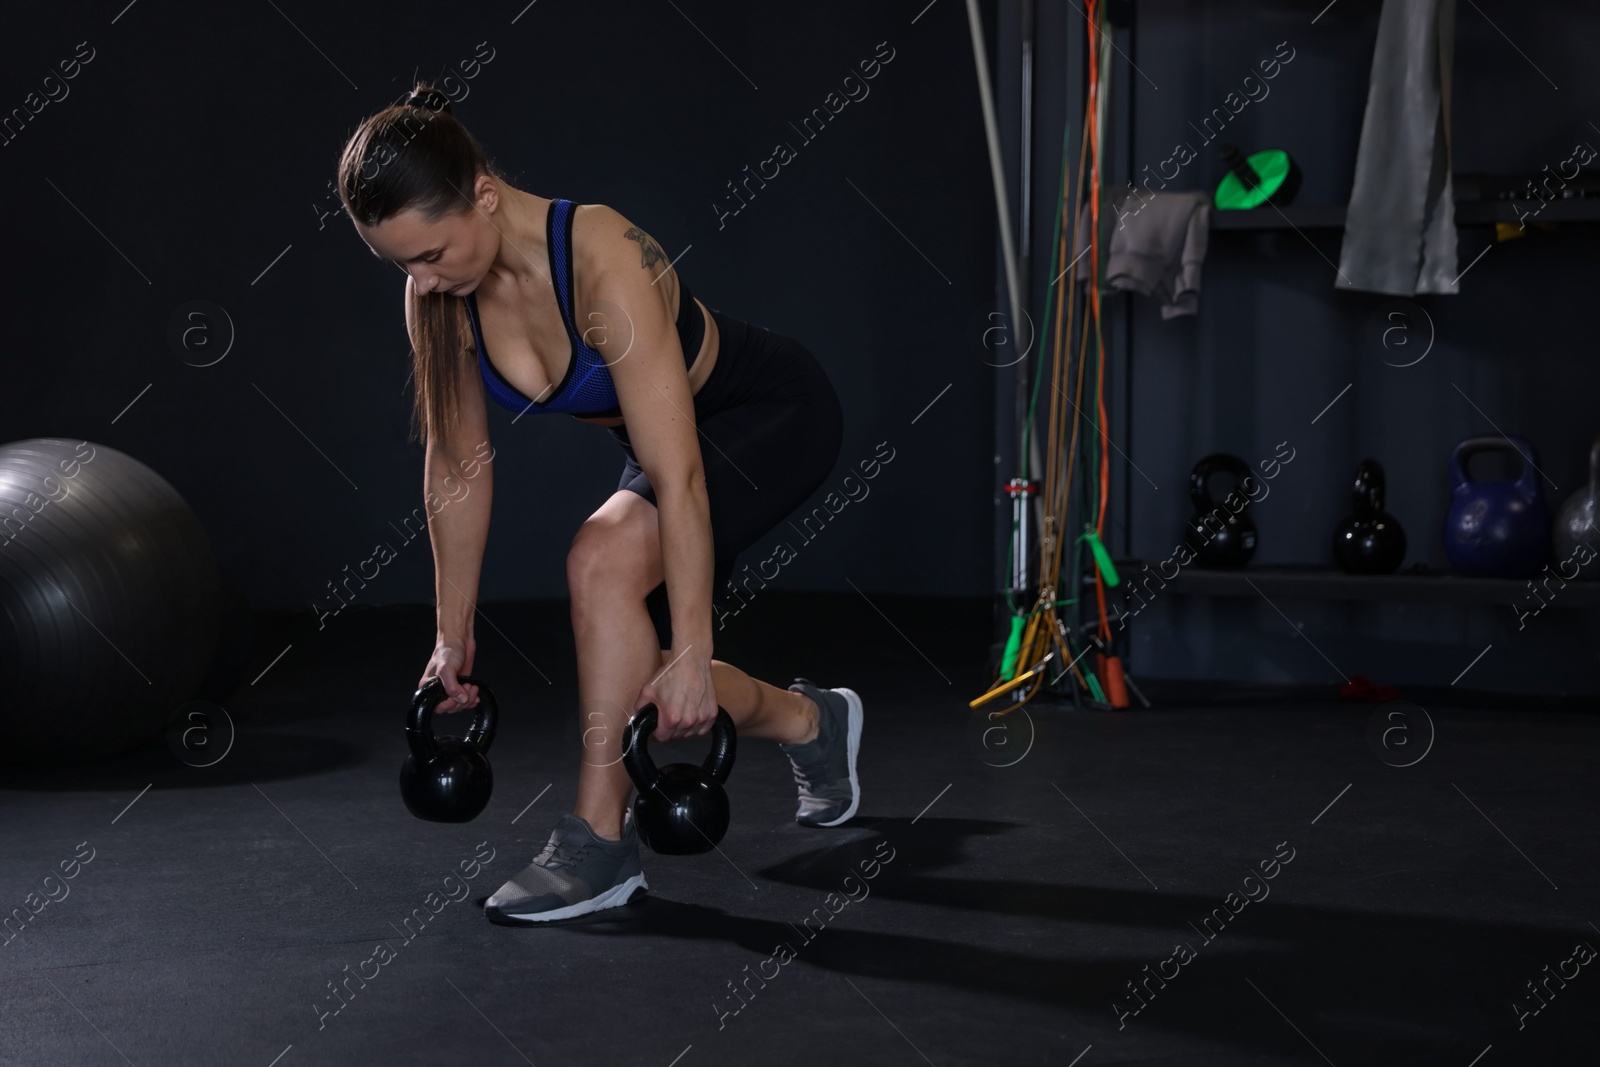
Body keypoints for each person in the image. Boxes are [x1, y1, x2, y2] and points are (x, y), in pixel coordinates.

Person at [338, 85, 863, 923]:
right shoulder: (439, 299)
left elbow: (682, 473)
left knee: (602, 563)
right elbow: (458, 466)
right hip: (671, 448)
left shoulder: (602, 258)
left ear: (482, 191)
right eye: (400, 263)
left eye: (430, 253)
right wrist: (450, 635)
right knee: (646, 685)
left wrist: (695, 643)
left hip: (770, 416)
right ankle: (814, 722)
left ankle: (596, 844)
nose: (421, 280)